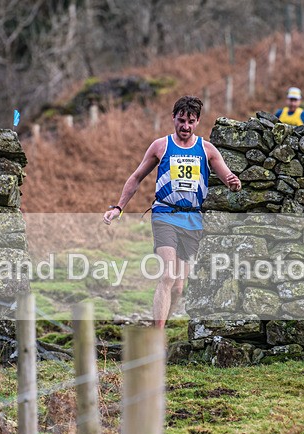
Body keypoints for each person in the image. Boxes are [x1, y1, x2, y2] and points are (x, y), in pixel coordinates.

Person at [103, 95, 242, 329]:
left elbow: (228, 178)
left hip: (192, 219)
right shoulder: (161, 146)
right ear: (173, 118)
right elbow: (136, 177)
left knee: (178, 287)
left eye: (190, 121)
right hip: (164, 214)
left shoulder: (207, 149)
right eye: (181, 120)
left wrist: (234, 184)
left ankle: (159, 327)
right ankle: (157, 336)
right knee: (168, 275)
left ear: (197, 122)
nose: (185, 126)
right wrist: (119, 207)